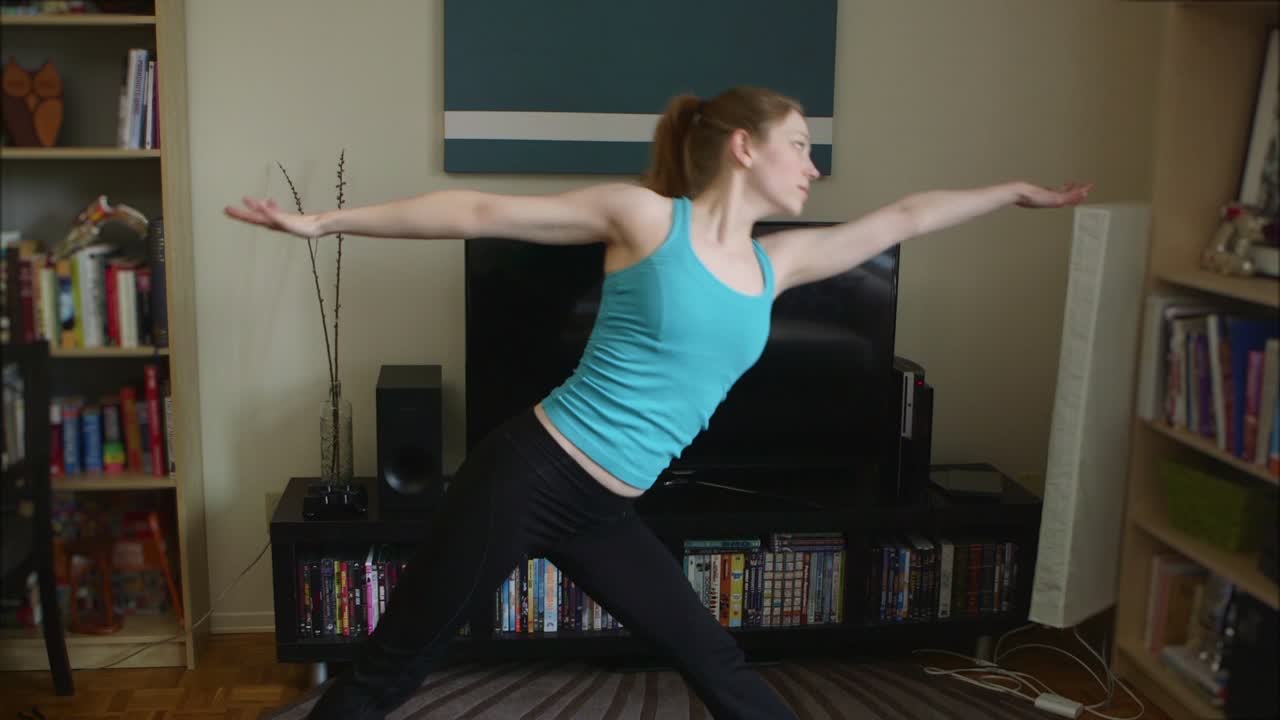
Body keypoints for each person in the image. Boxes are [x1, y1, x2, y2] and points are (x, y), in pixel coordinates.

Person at [226, 85, 1091, 719]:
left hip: (606, 510)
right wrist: (323, 224)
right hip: (528, 475)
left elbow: (906, 214)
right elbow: (481, 207)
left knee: (715, 658)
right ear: (745, 146)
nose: (813, 165)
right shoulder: (646, 220)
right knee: (392, 668)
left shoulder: (774, 266)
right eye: (799, 143)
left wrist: (1014, 194)